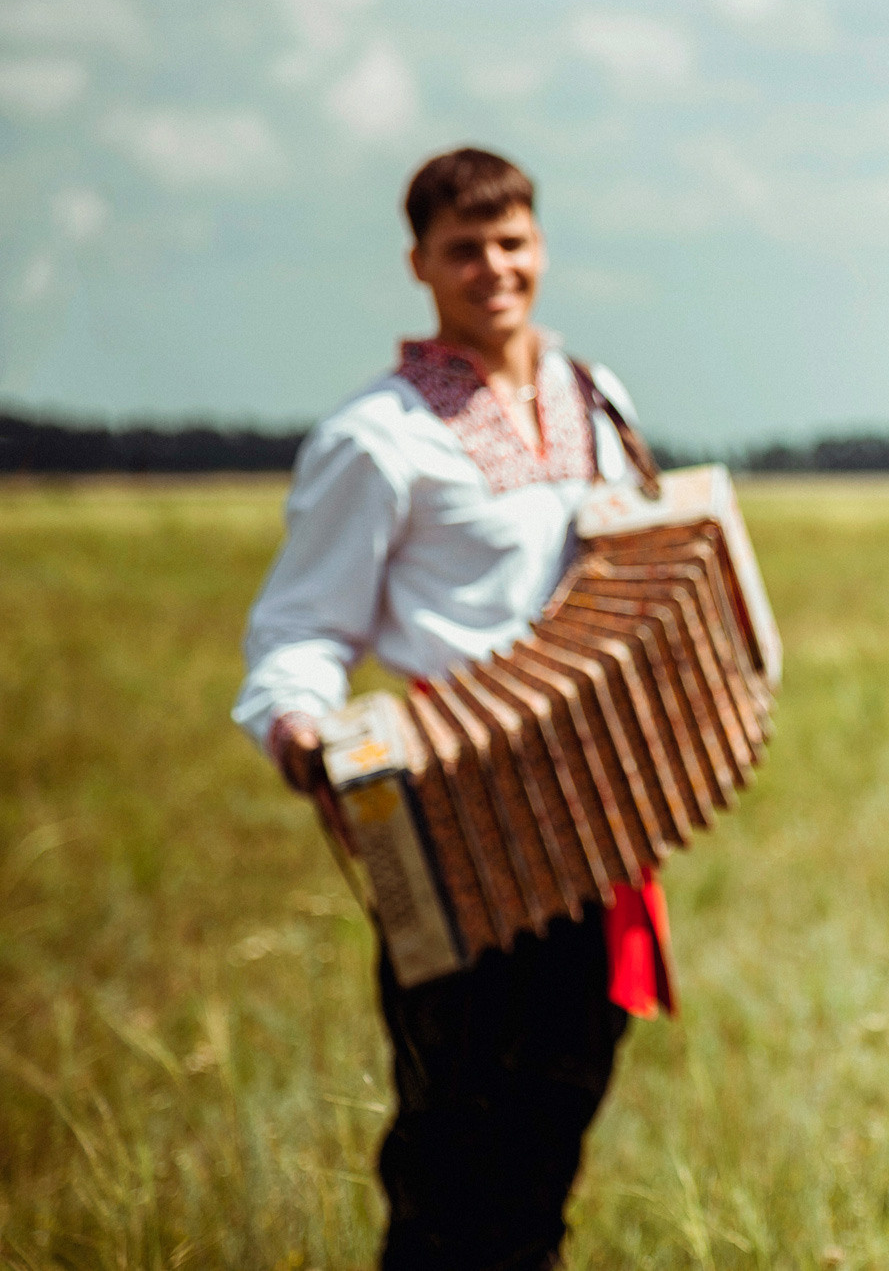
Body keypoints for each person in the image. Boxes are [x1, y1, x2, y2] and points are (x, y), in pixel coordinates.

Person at [234, 147, 662, 1271]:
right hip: (446, 819)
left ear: (542, 247)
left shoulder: (596, 399)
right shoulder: (378, 436)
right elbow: (298, 628)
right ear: (420, 263)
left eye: (511, 241)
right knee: (449, 1134)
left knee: (560, 1111)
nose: (493, 268)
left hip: (591, 811)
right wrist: (302, 729)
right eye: (464, 248)